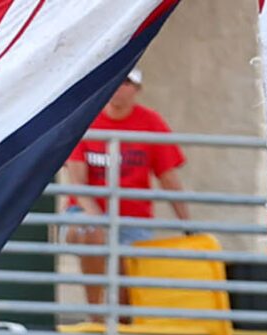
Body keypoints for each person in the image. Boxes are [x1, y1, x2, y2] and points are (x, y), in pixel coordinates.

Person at [57, 71, 189, 308]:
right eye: (116, 81)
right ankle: (95, 314)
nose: (120, 88)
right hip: (85, 213)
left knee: (127, 287)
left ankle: (123, 323)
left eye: (128, 83)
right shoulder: (86, 118)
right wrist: (101, 221)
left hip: (134, 219)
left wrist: (187, 226)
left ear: (137, 90)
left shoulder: (151, 122)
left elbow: (169, 179)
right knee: (91, 233)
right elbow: (77, 181)